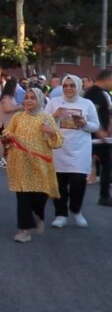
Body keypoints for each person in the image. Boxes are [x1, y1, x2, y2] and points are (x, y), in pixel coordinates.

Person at [2, 87, 63, 242]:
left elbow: (58, 142)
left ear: (40, 100)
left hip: (40, 164)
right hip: (20, 163)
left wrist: (51, 132)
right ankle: (24, 231)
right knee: (23, 197)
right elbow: (7, 132)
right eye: (27, 97)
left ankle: (39, 217)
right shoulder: (18, 116)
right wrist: (8, 136)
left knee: (39, 196)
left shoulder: (46, 118)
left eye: (33, 98)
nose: (29, 100)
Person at [45, 74, 99, 228]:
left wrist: (84, 123)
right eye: (65, 86)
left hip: (80, 150)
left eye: (72, 85)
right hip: (59, 149)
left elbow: (95, 125)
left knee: (78, 182)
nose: (68, 88)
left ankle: (76, 210)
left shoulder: (87, 104)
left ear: (78, 86)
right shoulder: (54, 102)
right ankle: (61, 214)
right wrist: (54, 116)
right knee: (59, 184)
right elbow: (42, 122)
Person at [84, 69, 112, 206]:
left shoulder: (102, 94)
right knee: (105, 164)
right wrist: (100, 131)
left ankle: (105, 195)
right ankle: (104, 196)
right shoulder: (94, 93)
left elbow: (107, 113)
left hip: (99, 138)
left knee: (107, 164)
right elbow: (91, 113)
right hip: (93, 137)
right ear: (107, 79)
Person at [0, 79, 22, 169]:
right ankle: (1, 159)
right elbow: (7, 109)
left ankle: (6, 158)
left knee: (7, 141)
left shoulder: (11, 97)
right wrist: (19, 107)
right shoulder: (6, 97)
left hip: (9, 122)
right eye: (16, 86)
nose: (17, 88)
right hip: (4, 123)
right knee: (2, 141)